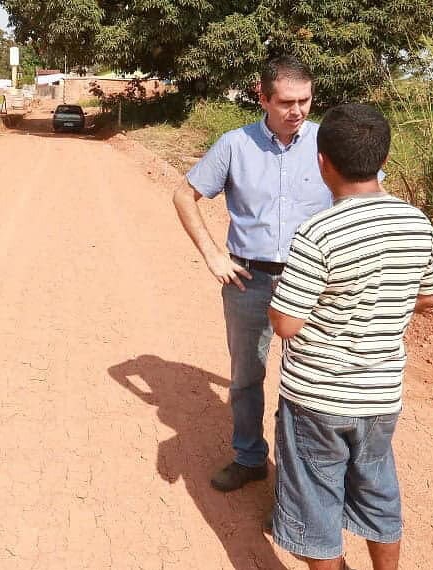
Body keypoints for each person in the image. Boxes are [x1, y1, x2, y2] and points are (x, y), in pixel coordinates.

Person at [267, 103, 433, 570]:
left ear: (322, 162)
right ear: (382, 157)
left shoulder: (318, 233)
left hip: (318, 398)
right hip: (381, 396)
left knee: (313, 508)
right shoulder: (416, 222)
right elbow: (427, 296)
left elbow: (286, 323)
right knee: (378, 491)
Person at [173, 55, 333, 492]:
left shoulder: (327, 143)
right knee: (247, 375)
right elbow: (184, 195)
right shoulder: (234, 145)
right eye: (285, 102)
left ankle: (296, 476)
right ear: (261, 97)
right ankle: (248, 457)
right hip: (248, 280)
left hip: (312, 281)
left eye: (305, 100)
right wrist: (212, 256)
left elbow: (365, 194)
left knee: (309, 380)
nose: (297, 111)